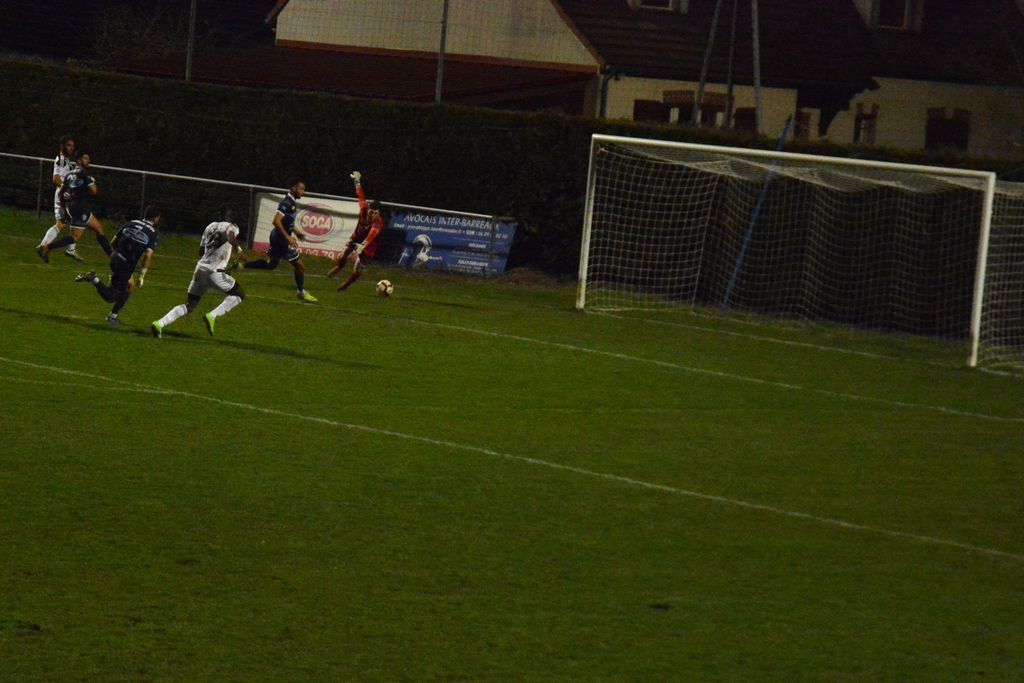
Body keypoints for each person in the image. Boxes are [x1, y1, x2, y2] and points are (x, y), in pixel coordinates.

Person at [151, 214, 246, 338]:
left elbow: (201, 251)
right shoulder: (231, 227)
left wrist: (218, 254)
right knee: (239, 294)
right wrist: (239, 250)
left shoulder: (210, 226)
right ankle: (212, 316)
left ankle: (159, 323)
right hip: (215, 272)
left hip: (200, 270)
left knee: (190, 305)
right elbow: (230, 234)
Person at [74, 205, 160, 326]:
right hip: (125, 265)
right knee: (111, 297)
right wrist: (142, 276)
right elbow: (148, 256)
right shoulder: (153, 233)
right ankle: (93, 279)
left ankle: (113, 316)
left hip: (115, 258)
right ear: (156, 218)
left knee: (130, 286)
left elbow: (114, 241)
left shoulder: (131, 223)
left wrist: (117, 255)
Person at [243, 180, 317, 302]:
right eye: (301, 189)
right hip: (281, 240)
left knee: (271, 265)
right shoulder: (287, 203)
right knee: (300, 266)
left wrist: (296, 232)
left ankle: (242, 265)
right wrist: (288, 238)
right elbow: (276, 221)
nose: (303, 192)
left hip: (277, 237)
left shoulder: (291, 202)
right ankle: (301, 292)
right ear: (293, 188)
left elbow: (287, 222)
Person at [38, 151, 113, 262]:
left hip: (74, 207)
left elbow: (60, 193)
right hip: (81, 209)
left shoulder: (69, 175)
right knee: (74, 238)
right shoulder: (84, 174)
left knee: (99, 229)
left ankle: (111, 255)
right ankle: (47, 247)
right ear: (78, 160)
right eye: (85, 158)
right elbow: (94, 191)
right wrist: (92, 182)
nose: (88, 161)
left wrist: (64, 209)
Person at [326, 171, 384, 291]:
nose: (372, 215)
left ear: (379, 214)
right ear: (368, 209)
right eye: (371, 212)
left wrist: (363, 245)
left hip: (369, 246)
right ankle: (339, 267)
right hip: (356, 237)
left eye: (375, 213)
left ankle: (345, 286)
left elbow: (372, 234)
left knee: (357, 271)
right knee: (342, 257)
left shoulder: (378, 223)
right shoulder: (364, 209)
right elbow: (360, 196)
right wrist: (357, 181)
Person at [35, 135, 80, 262]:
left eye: (72, 146)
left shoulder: (65, 160)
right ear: (62, 146)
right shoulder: (61, 159)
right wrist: (67, 189)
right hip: (63, 196)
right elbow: (55, 179)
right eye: (68, 145)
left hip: (64, 195)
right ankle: (44, 246)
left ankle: (68, 249)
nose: (71, 148)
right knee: (63, 222)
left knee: (68, 221)